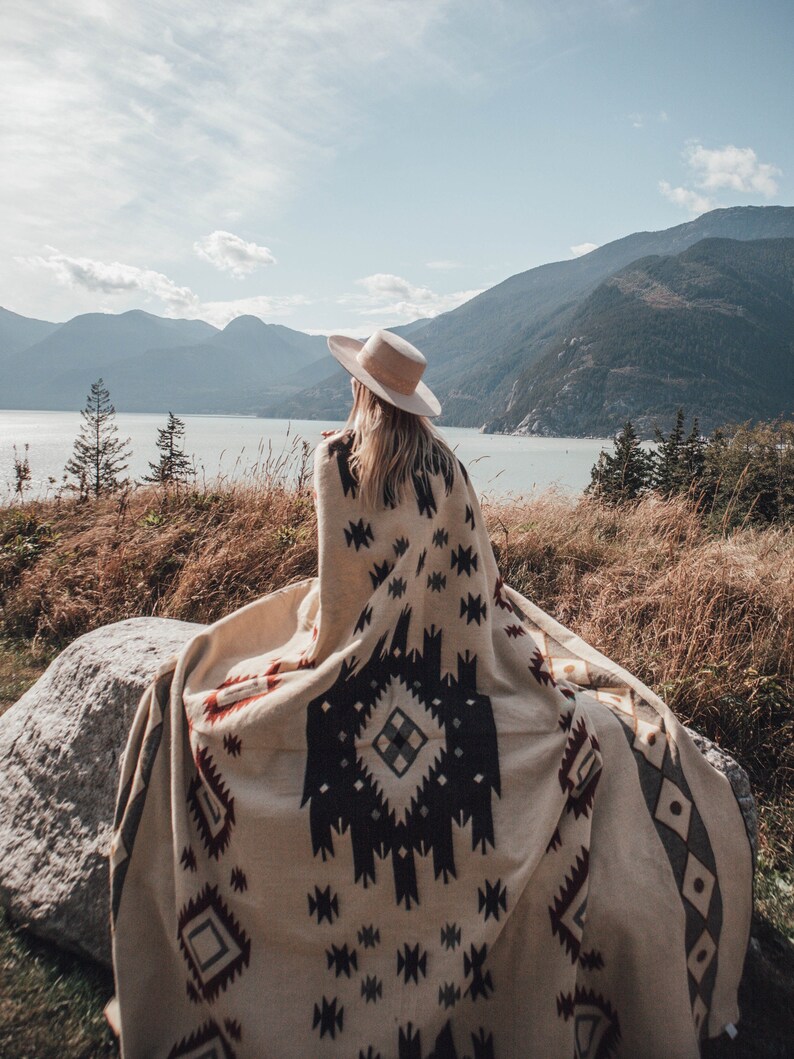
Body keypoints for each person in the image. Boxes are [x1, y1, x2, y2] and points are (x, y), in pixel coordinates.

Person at [110, 329, 752, 1058]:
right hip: (450, 664)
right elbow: (479, 587)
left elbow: (340, 593)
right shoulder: (446, 467)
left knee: (201, 684)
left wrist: (328, 644)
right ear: (415, 405)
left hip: (353, 666)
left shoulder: (333, 462)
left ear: (359, 389)